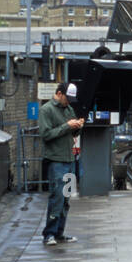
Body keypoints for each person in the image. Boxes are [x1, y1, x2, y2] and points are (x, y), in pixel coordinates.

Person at [39, 82, 85, 246]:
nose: (69, 102)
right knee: (57, 197)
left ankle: (59, 233)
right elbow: (45, 134)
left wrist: (78, 126)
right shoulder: (47, 110)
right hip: (56, 160)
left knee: (66, 198)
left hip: (70, 160)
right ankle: (49, 234)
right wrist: (67, 126)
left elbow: (72, 132)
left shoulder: (69, 109)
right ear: (59, 93)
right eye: (67, 98)